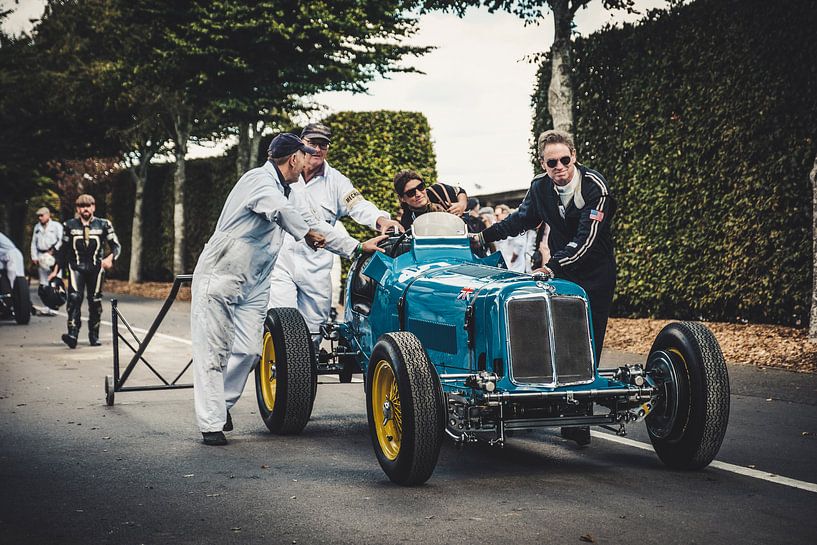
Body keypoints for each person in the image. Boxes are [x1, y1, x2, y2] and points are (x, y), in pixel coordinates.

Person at [191, 133, 385, 446]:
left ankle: (221, 403)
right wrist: (305, 232)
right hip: (222, 273)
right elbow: (278, 211)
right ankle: (211, 422)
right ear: (293, 158)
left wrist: (357, 247)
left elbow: (316, 223)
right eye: (304, 154)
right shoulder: (258, 180)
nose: (308, 159)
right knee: (213, 350)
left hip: (255, 279)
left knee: (250, 351)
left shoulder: (291, 190)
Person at [474, 129, 616, 446]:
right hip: (562, 272)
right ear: (543, 164)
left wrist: (552, 265)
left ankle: (579, 417)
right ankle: (541, 399)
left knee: (587, 340)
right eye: (552, 163)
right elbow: (520, 220)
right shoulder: (540, 187)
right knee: (555, 334)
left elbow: (587, 240)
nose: (559, 167)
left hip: (595, 272)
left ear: (574, 157)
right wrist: (483, 237)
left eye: (565, 160)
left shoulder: (595, 187)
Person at [268, 123, 403, 346]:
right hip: (281, 260)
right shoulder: (283, 174)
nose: (317, 150)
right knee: (282, 323)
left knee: (314, 330)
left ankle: (306, 366)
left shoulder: (337, 181)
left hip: (317, 263)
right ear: (301, 144)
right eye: (312, 143)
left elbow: (358, 205)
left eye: (323, 145)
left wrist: (381, 220)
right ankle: (279, 367)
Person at [52, 194, 121, 348]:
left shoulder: (104, 224)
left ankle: (94, 335)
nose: (85, 209)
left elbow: (116, 246)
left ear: (93, 207)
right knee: (74, 298)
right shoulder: (69, 225)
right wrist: (55, 271)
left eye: (88, 206)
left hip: (96, 268)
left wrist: (110, 259)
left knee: (95, 301)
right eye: (82, 206)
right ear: (77, 209)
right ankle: (72, 334)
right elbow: (63, 250)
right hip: (76, 267)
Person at [393, 170, 469, 231]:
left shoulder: (437, 191)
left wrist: (462, 204)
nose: (418, 194)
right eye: (411, 193)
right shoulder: (407, 219)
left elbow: (460, 191)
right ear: (402, 198)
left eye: (420, 187)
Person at [30, 207, 63, 315]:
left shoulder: (56, 226)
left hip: (54, 256)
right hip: (41, 255)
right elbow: (33, 243)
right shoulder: (37, 227)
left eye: (42, 215)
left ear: (48, 215)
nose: (40, 218)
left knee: (54, 282)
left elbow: (61, 240)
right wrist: (34, 256)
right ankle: (47, 306)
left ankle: (55, 306)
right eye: (38, 216)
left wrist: (53, 250)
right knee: (44, 284)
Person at [493, 204, 528, 272]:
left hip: (515, 264)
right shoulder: (499, 227)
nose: (496, 217)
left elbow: (519, 245)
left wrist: (512, 260)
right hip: (504, 262)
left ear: (505, 213)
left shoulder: (515, 224)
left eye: (497, 215)